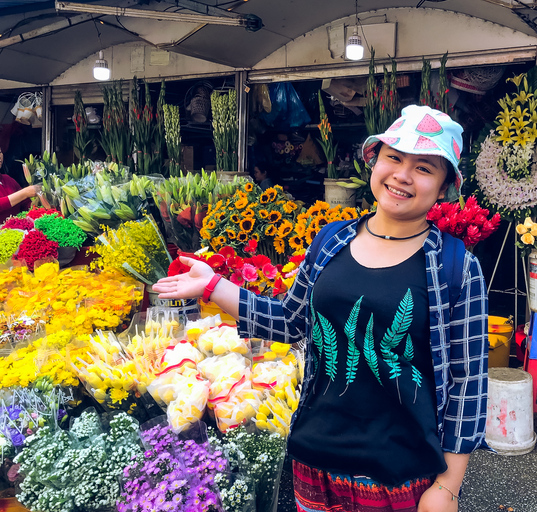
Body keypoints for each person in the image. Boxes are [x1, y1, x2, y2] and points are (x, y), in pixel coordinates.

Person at [154, 105, 489, 512]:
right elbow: (290, 321)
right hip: (315, 463)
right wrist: (214, 284)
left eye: (424, 168)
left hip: (403, 477)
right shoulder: (332, 240)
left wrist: (448, 487)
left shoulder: (454, 266)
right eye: (394, 158)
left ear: (443, 187)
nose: (402, 175)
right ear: (375, 161)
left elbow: (468, 383)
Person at [0, 149, 39, 222]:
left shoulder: (8, 179)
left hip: (15, 230)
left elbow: (25, 203)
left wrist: (36, 204)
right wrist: (24, 193)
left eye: (0, 152)